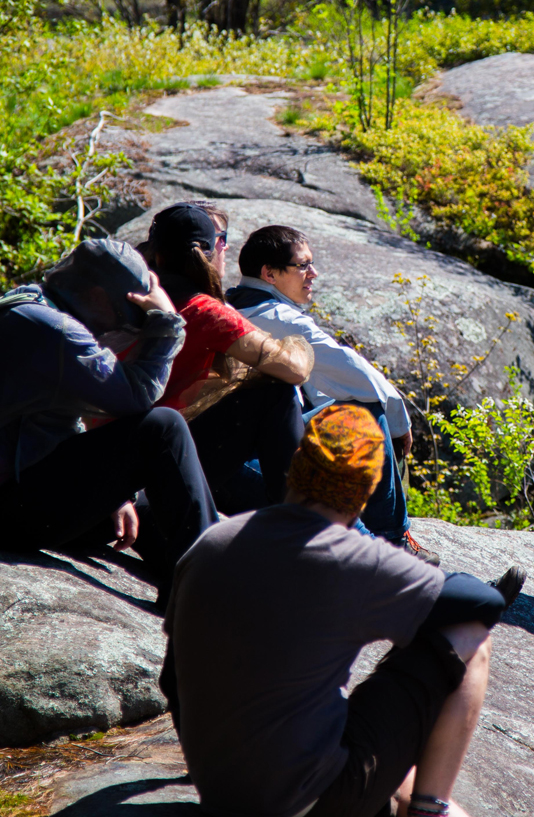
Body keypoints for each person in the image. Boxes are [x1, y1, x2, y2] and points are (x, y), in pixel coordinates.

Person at [162, 404, 525, 817]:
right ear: (365, 493)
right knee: (470, 638)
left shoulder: (212, 542)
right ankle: (429, 809)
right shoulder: (356, 560)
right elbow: (485, 603)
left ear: (295, 466)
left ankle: (404, 797)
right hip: (311, 802)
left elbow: (172, 676)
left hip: (221, 793)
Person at [0, 238, 217, 601]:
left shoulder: (28, 302)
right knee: (162, 428)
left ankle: (216, 579)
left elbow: (50, 416)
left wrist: (116, 494)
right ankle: (201, 594)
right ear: (99, 296)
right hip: (12, 511)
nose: (115, 332)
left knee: (154, 507)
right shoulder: (55, 332)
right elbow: (138, 398)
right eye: (125, 317)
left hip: (21, 492)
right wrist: (166, 323)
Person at [226, 224, 437, 562]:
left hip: (230, 459)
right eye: (303, 266)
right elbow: (352, 371)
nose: (314, 273)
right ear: (269, 273)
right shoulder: (278, 317)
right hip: (244, 471)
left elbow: (319, 389)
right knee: (368, 413)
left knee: (351, 413)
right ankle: (393, 540)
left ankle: (384, 537)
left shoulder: (234, 305)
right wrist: (399, 423)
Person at [142, 203, 314, 510]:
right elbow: (295, 369)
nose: (227, 247)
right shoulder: (203, 310)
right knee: (276, 393)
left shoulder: (135, 290)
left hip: (126, 455)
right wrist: (296, 343)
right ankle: (305, 528)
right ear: (206, 250)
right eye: (222, 239)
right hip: (163, 473)